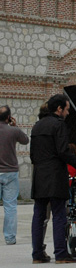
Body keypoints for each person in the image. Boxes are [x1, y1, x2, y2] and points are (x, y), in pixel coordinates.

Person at [30, 94, 76, 264]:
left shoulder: (37, 126)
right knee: (59, 214)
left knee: (39, 215)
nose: (68, 113)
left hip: (40, 174)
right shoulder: (59, 125)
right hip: (55, 175)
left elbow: (33, 154)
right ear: (59, 109)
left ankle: (37, 254)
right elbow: (63, 151)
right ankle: (61, 254)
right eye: (67, 109)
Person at [0, 104, 29, 245]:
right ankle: (10, 238)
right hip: (10, 172)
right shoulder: (13, 131)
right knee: (10, 206)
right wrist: (15, 126)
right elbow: (25, 140)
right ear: (8, 117)